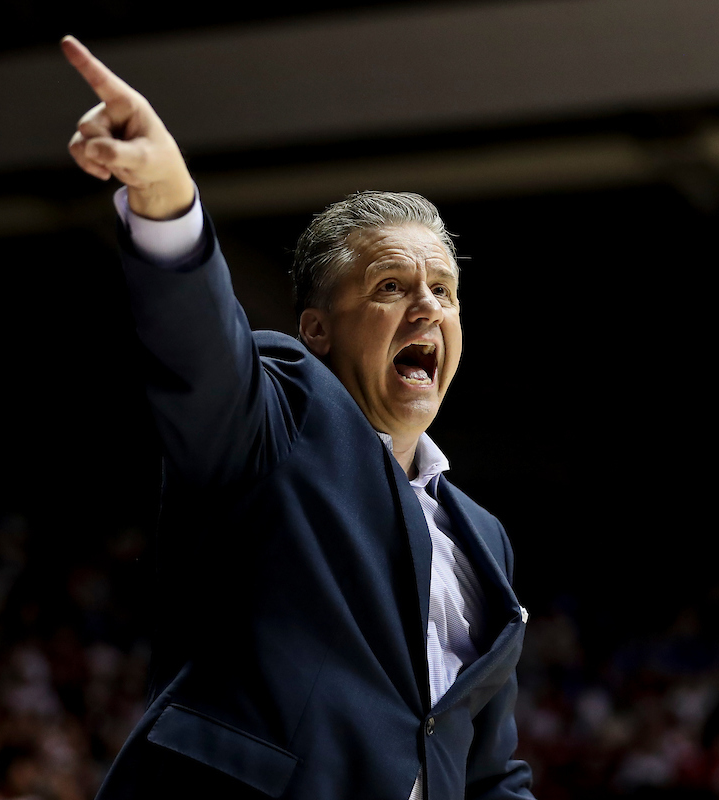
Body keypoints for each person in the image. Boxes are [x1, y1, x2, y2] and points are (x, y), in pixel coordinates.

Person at [60, 35, 534, 800]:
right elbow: (199, 349)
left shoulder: (484, 537)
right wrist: (166, 197)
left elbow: (487, 768)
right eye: (391, 287)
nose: (428, 307)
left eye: (444, 291)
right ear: (318, 330)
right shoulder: (284, 415)